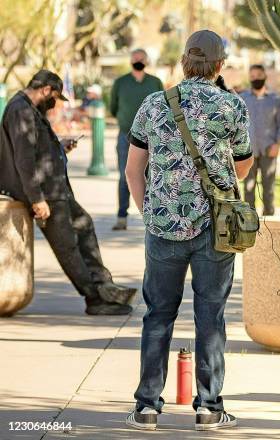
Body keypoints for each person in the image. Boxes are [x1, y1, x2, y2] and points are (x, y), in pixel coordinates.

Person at [124, 30, 253, 431]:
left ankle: (147, 407)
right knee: (210, 315)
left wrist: (150, 211)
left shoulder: (152, 104)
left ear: (184, 63)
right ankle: (209, 407)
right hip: (215, 228)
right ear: (219, 66)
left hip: (163, 226)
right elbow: (243, 165)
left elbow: (133, 169)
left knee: (158, 314)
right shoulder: (232, 105)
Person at [0, 70, 136, 315]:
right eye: (54, 97)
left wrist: (59, 148)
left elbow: (35, 150)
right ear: (45, 91)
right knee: (67, 247)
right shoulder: (20, 109)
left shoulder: (29, 109)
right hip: (45, 193)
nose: (54, 103)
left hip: (56, 189)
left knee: (84, 225)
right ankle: (94, 298)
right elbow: (24, 159)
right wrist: (37, 199)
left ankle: (103, 285)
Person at [110, 48, 164, 231]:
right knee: (126, 175)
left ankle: (152, 217)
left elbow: (163, 107)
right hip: (126, 135)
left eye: (141, 58)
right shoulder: (120, 83)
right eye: (135, 58)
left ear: (146, 61)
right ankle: (121, 217)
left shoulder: (155, 83)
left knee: (153, 175)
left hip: (152, 138)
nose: (138, 61)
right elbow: (113, 107)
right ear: (130, 61)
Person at [239, 64, 280, 215]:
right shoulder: (242, 99)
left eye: (258, 75)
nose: (256, 79)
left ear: (265, 76)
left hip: (269, 150)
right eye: (252, 76)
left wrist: (278, 144)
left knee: (268, 189)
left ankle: (270, 220)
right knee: (248, 189)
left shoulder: (276, 100)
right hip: (249, 152)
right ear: (249, 78)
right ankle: (249, 222)